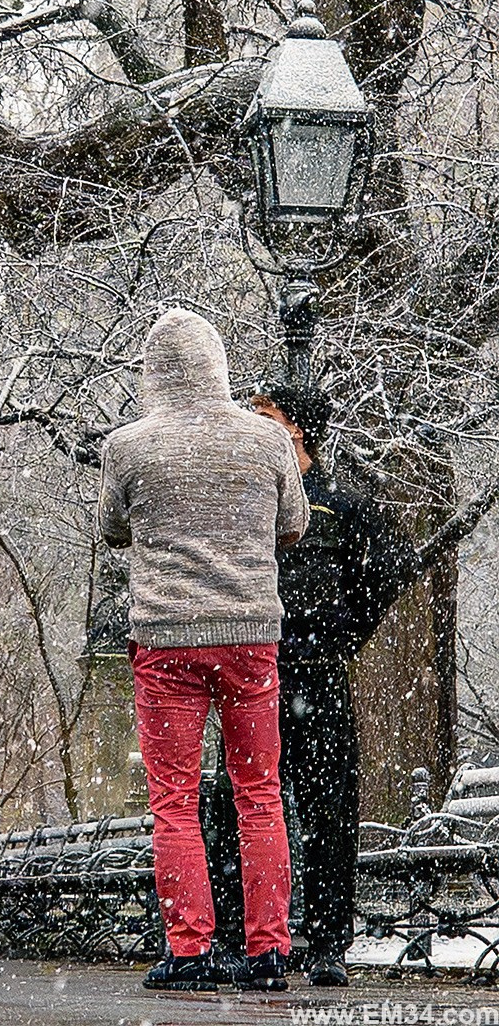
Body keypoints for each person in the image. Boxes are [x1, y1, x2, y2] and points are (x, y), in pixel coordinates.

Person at [97, 308, 309, 993]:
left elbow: (113, 529)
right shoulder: (266, 439)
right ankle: (268, 951)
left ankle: (188, 950)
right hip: (249, 636)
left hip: (166, 640)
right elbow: (293, 524)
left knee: (174, 801)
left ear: (153, 374)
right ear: (218, 366)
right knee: (259, 793)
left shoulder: (128, 446)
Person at [204, 383, 421, 987]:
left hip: (318, 677)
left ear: (298, 430)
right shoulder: (246, 503)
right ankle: (237, 938)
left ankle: (328, 944)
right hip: (255, 673)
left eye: (266, 415)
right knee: (237, 804)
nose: (254, 424)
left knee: (330, 810)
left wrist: (343, 631)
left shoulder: (341, 504)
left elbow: (393, 567)